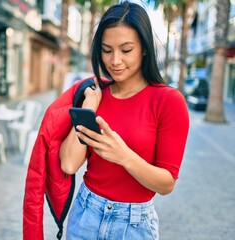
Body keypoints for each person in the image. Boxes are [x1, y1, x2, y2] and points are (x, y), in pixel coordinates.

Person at [59, 1, 189, 239]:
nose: (115, 61)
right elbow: (68, 164)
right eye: (107, 50)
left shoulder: (169, 101)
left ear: (145, 48)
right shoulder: (95, 94)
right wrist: (89, 108)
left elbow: (166, 184)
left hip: (133, 224)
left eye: (126, 50)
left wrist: (123, 156)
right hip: (86, 213)